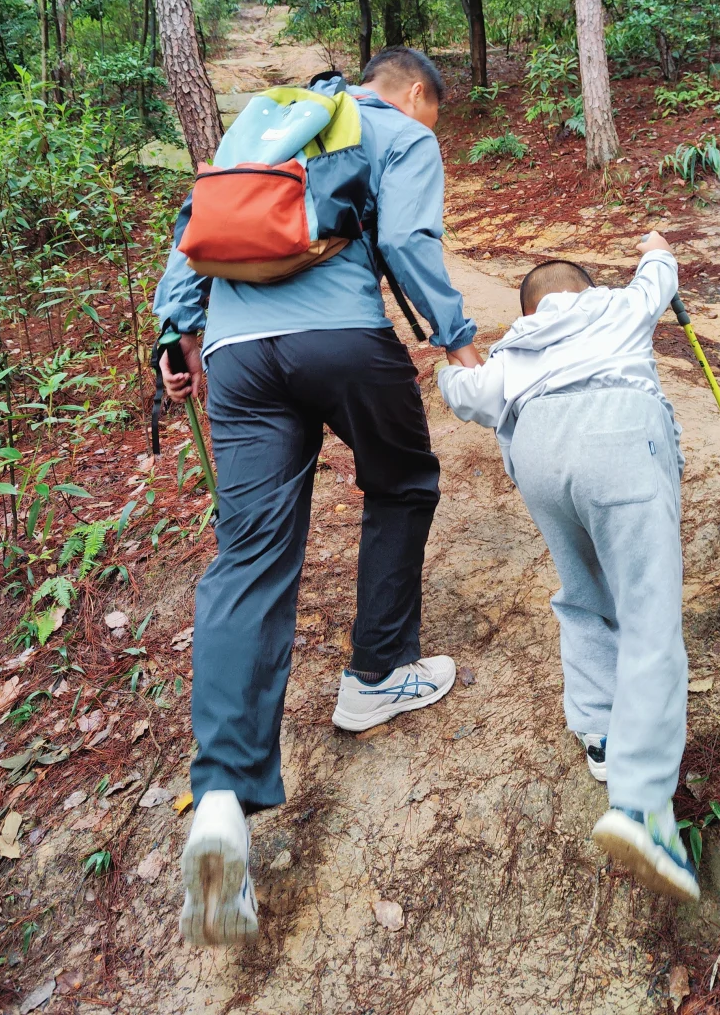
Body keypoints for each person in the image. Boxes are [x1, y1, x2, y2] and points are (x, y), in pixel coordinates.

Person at [154, 46, 481, 946]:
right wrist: (455, 336)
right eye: (434, 112)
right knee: (403, 480)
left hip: (235, 356)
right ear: (415, 92)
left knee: (250, 555)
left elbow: (197, 223)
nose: (431, 127)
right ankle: (376, 674)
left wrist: (174, 334)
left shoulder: (261, 120)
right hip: (340, 337)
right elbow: (411, 242)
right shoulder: (399, 131)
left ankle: (220, 798)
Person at [435, 233, 698, 904]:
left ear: (528, 307)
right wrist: (655, 246)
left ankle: (602, 731)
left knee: (583, 593)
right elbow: (659, 275)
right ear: (584, 287)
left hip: (541, 450)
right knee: (649, 610)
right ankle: (642, 808)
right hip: (618, 431)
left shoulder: (514, 348)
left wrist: (448, 358)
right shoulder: (619, 305)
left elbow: (464, 392)